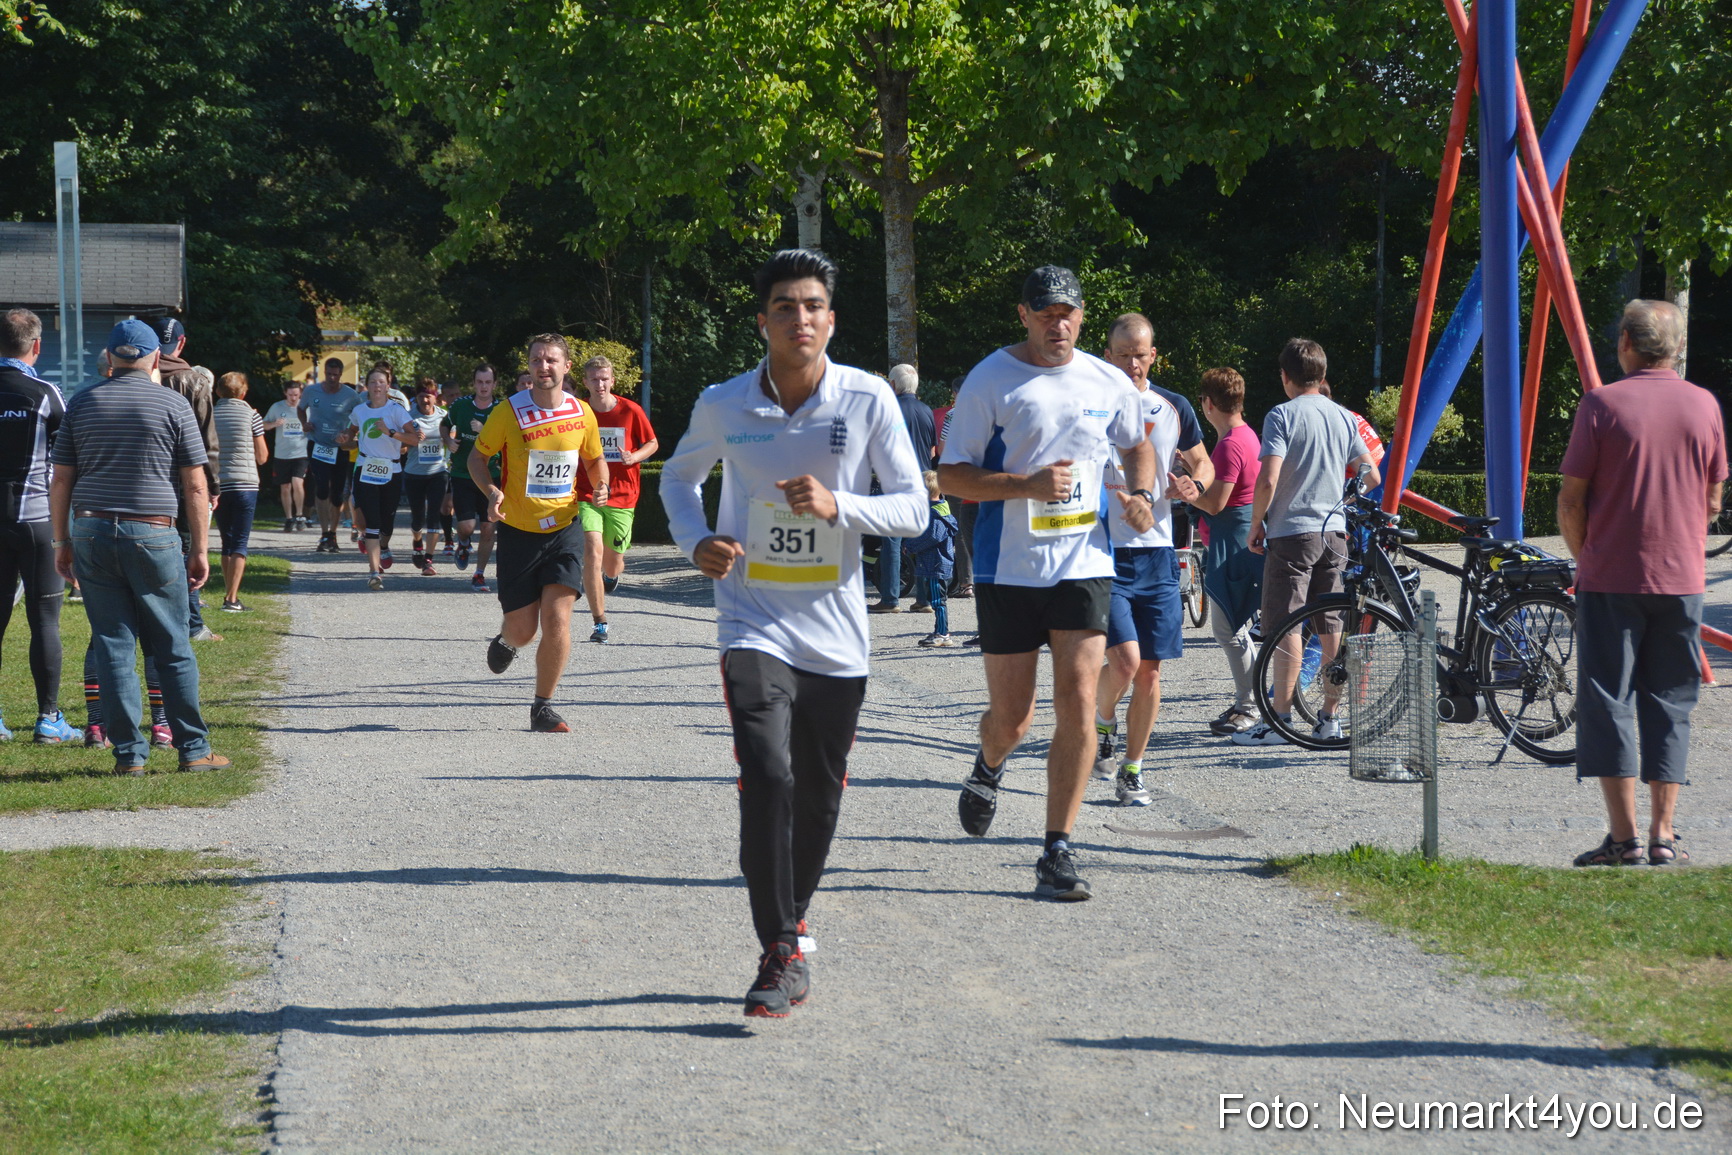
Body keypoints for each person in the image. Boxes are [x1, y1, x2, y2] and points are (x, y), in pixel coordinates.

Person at [662, 248, 926, 1016]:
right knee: (767, 773)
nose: (800, 318)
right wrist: (693, 541)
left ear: (831, 319)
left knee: (816, 796)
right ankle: (780, 946)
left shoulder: (866, 399)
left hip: (837, 635)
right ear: (764, 321)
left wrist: (841, 506)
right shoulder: (724, 404)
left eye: (813, 306)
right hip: (752, 620)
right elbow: (678, 477)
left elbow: (914, 506)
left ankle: (791, 920)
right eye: (785, 306)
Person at [937, 265, 1155, 902]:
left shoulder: (1107, 380)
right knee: (1013, 718)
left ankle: (1057, 848)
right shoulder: (990, 380)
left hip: (1083, 564)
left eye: (1068, 312)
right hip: (1008, 570)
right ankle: (989, 764)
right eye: (1045, 312)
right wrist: (1024, 487)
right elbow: (951, 476)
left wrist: (1140, 492)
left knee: (1079, 700)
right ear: (1024, 315)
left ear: (1082, 316)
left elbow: (1137, 443)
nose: (1058, 323)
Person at [1559, 300, 1727, 868]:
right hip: (1681, 579)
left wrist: (1590, 558)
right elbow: (1712, 500)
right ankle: (1663, 834)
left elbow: (1571, 499)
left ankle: (1623, 838)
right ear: (1676, 349)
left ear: (1626, 343)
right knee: (1672, 702)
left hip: (1611, 578)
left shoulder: (1602, 404)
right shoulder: (1703, 405)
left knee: (1608, 701)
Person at [47, 320, 230, 775]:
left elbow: (62, 480)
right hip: (152, 531)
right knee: (171, 644)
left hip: (90, 531)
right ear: (154, 358)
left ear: (110, 358)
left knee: (112, 645)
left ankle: (128, 755)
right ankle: (193, 749)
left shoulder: (82, 403)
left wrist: (61, 541)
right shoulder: (173, 404)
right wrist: (201, 549)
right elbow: (194, 484)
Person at [1090, 314, 1213, 806]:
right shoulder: (1090, 405)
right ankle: (1103, 721)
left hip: (1159, 552)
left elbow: (1202, 462)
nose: (1134, 364)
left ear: (1154, 355)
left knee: (1151, 672)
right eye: (1124, 355)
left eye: (1141, 354)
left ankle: (1132, 769)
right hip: (1103, 552)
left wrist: (1195, 484)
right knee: (1124, 661)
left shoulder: (1173, 406)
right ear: (1108, 356)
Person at [1234, 338, 1379, 747]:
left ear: (1285, 377)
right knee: (1330, 621)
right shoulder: (1344, 417)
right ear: (1321, 374)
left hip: (1291, 532)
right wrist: (1340, 499)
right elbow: (1372, 478)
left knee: (1285, 623)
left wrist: (1256, 523)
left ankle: (1279, 719)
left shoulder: (1281, 415)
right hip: (1334, 532)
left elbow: (1268, 477)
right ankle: (1329, 717)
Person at [472, 334, 608, 733]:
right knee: (523, 629)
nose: (543, 367)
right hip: (518, 530)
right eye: (536, 360)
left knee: (558, 617)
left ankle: (543, 706)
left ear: (567, 367)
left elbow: (595, 459)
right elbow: (477, 457)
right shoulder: (508, 411)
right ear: (529, 366)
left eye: (551, 360)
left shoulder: (582, 413)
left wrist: (600, 485)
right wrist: (492, 489)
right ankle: (507, 642)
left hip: (564, 527)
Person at [0, 306, 77, 743]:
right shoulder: (46, 392)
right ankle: (49, 720)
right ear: (36, 346)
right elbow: (69, 460)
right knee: (44, 621)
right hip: (35, 521)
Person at [1186, 367, 1263, 735]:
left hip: (1231, 547)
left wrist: (1184, 491)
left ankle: (1250, 707)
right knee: (1234, 629)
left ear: (1208, 403)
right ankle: (1246, 702)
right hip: (1238, 542)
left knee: (1229, 630)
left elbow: (1216, 503)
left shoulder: (1231, 444)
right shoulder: (1245, 436)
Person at [574, 354, 658, 642]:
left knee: (612, 562)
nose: (600, 384)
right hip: (588, 491)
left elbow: (652, 443)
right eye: (594, 379)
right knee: (591, 550)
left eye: (604, 378)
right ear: (585, 382)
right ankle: (600, 622)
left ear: (612, 380)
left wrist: (634, 456)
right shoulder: (579, 412)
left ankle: (610, 577)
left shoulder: (630, 410)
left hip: (623, 494)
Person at [342, 368, 421, 590]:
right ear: (367, 386)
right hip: (366, 469)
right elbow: (350, 433)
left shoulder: (396, 411)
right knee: (373, 522)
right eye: (373, 382)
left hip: (391, 472)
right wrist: (344, 437)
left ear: (388, 386)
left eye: (381, 382)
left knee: (387, 523)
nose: (377, 386)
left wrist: (391, 433)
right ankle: (374, 572)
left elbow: (414, 439)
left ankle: (383, 546)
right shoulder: (359, 410)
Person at [868, 363, 935, 614]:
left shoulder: (889, 409)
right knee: (923, 541)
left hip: (895, 480)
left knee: (892, 542)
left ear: (893, 385)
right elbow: (932, 450)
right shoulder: (926, 410)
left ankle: (890, 599)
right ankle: (925, 600)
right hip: (925, 481)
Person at [211, 373, 268, 612]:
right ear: (243, 393)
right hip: (245, 484)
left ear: (218, 392)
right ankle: (232, 598)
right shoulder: (251, 415)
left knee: (226, 541)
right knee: (240, 543)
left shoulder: (210, 414)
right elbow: (262, 457)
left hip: (219, 484)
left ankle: (229, 592)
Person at [444, 363, 502, 592]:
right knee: (466, 526)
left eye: (488, 382)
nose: (484, 386)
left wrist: (484, 431)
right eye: (480, 382)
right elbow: (444, 425)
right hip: (462, 473)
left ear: (495, 384)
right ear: (474, 383)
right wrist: (448, 440)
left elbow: (507, 441)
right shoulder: (461, 405)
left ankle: (479, 574)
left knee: (488, 528)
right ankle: (464, 543)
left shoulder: (501, 410)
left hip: (491, 475)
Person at [300, 357, 362, 555]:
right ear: (324, 373)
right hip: (317, 445)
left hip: (339, 448)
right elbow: (301, 409)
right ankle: (324, 532)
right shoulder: (312, 391)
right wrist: (305, 424)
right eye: (329, 374)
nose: (332, 378)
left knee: (336, 493)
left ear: (341, 375)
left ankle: (333, 533)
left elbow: (362, 416)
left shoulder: (350, 395)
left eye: (336, 375)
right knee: (321, 486)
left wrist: (350, 434)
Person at [403, 382, 450, 576]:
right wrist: (412, 439)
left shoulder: (444, 416)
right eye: (421, 395)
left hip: (438, 472)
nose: (425, 400)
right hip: (414, 472)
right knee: (417, 518)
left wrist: (449, 438)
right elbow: (400, 447)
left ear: (435, 396)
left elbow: (451, 436)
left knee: (433, 515)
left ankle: (428, 559)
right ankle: (417, 541)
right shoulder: (409, 417)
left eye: (429, 396)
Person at [907, 471, 958, 647]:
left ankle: (943, 633)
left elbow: (932, 537)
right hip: (934, 563)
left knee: (938, 600)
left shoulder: (935, 514)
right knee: (936, 598)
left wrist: (911, 545)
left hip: (936, 564)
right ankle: (940, 631)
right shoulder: (939, 510)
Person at [263, 380, 309, 530]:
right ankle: (289, 517)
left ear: (300, 393)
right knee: (285, 487)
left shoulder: (306, 408)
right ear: (285, 394)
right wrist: (274, 424)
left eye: (296, 395)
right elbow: (263, 425)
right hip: (282, 454)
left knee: (297, 482)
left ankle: (300, 515)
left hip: (301, 453)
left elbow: (316, 424)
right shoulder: (277, 407)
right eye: (290, 395)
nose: (293, 398)